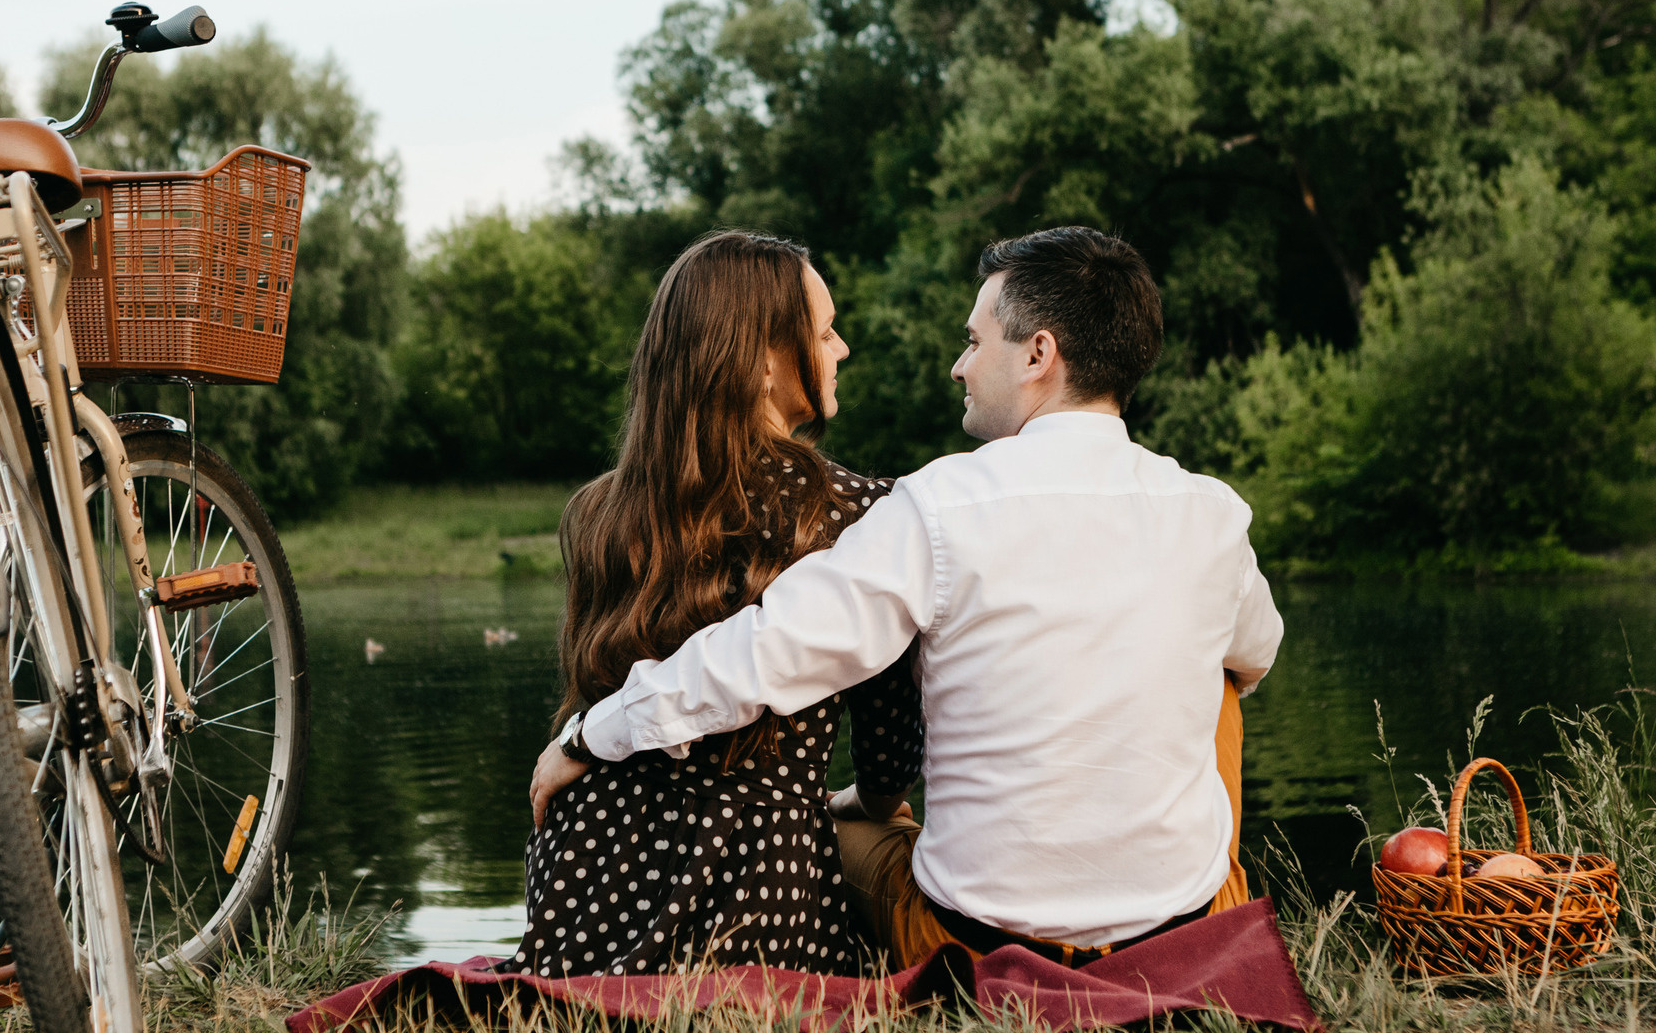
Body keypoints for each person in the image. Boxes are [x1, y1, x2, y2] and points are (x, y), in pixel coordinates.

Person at [530, 226, 1282, 968]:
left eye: (974, 341)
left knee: (856, 825)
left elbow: (764, 653)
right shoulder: (1211, 511)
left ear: (1038, 355)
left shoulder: (937, 507)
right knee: (1222, 675)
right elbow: (1259, 652)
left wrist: (591, 735)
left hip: (974, 941)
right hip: (1182, 924)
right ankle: (1172, 895)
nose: (959, 366)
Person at [503, 229, 924, 979]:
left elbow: (600, 696)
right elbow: (891, 751)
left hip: (589, 866)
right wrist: (871, 803)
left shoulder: (600, 513)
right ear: (764, 359)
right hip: (755, 880)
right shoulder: (858, 511)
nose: (842, 347)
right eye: (824, 331)